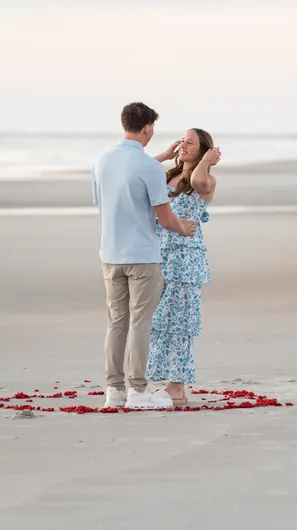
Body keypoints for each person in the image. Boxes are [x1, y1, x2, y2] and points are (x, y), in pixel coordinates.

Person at [92, 102, 197, 410]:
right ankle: (138, 390)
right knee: (140, 322)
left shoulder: (102, 161)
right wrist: (183, 228)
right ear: (149, 127)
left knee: (116, 322)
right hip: (142, 256)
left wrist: (163, 157)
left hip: (110, 253)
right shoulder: (149, 168)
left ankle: (115, 390)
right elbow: (165, 219)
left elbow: (124, 182)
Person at [146, 128, 220, 405]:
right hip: (161, 252)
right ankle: (172, 384)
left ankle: (176, 386)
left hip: (185, 259)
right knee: (161, 320)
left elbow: (200, 180)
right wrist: (165, 156)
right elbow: (140, 172)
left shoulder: (205, 178)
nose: (184, 145)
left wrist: (205, 161)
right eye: (183, 141)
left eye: (191, 143)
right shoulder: (168, 174)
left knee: (180, 322)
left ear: (203, 151)